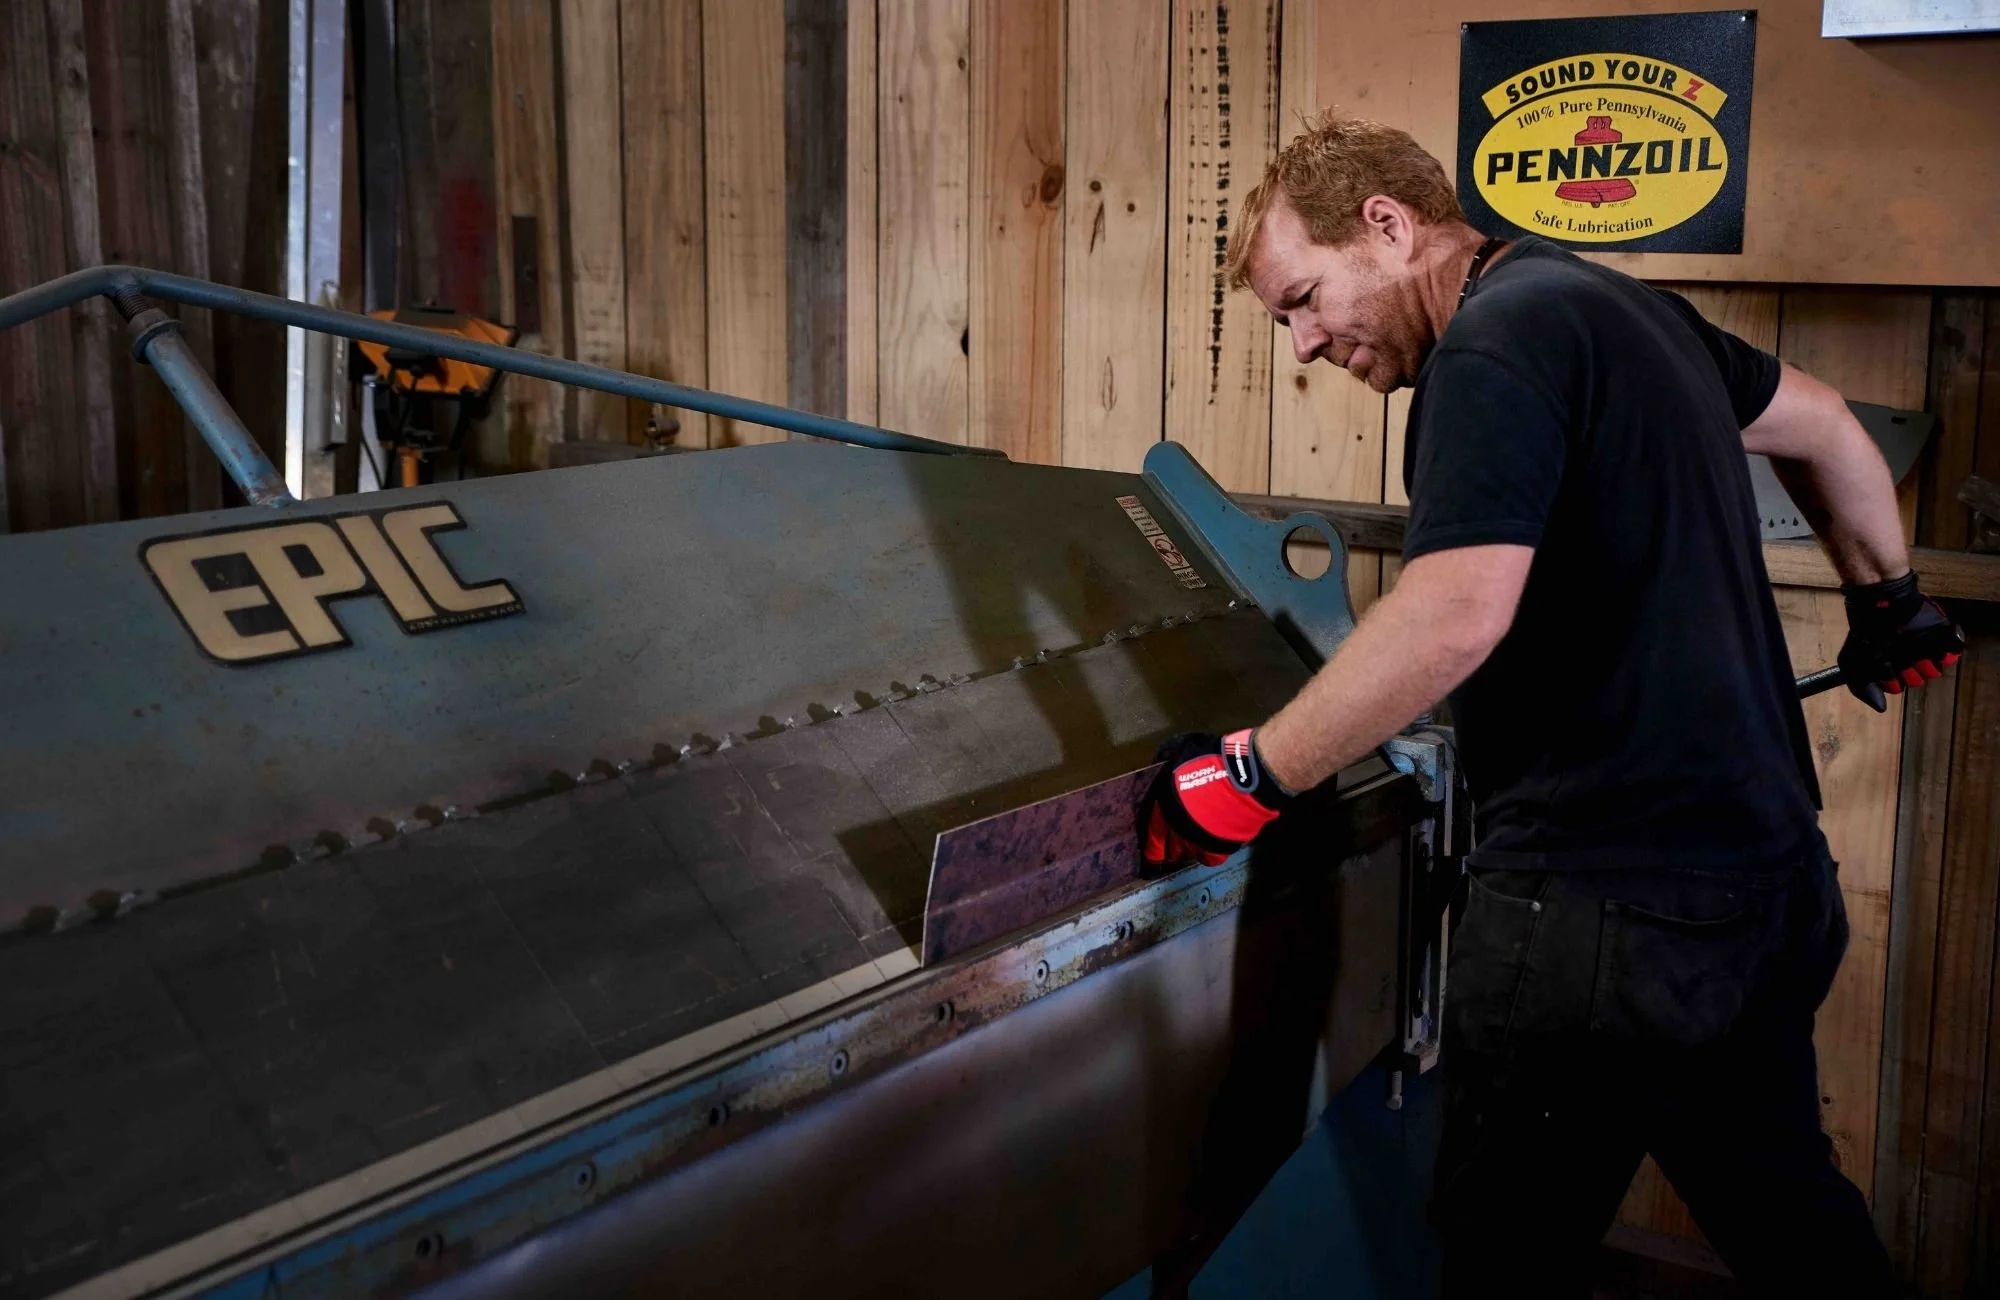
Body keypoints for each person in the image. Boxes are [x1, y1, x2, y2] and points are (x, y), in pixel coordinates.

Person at [1137, 114, 1963, 1296]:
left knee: (1500, 1257)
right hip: (1762, 887)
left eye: (1304, 300)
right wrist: (1889, 602)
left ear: (1386, 224)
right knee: (1792, 1224)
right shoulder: (1610, 306)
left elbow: (1455, 611)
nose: (1306, 345)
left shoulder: (1488, 349)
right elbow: (1827, 428)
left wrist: (1249, 778)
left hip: (1599, 918)